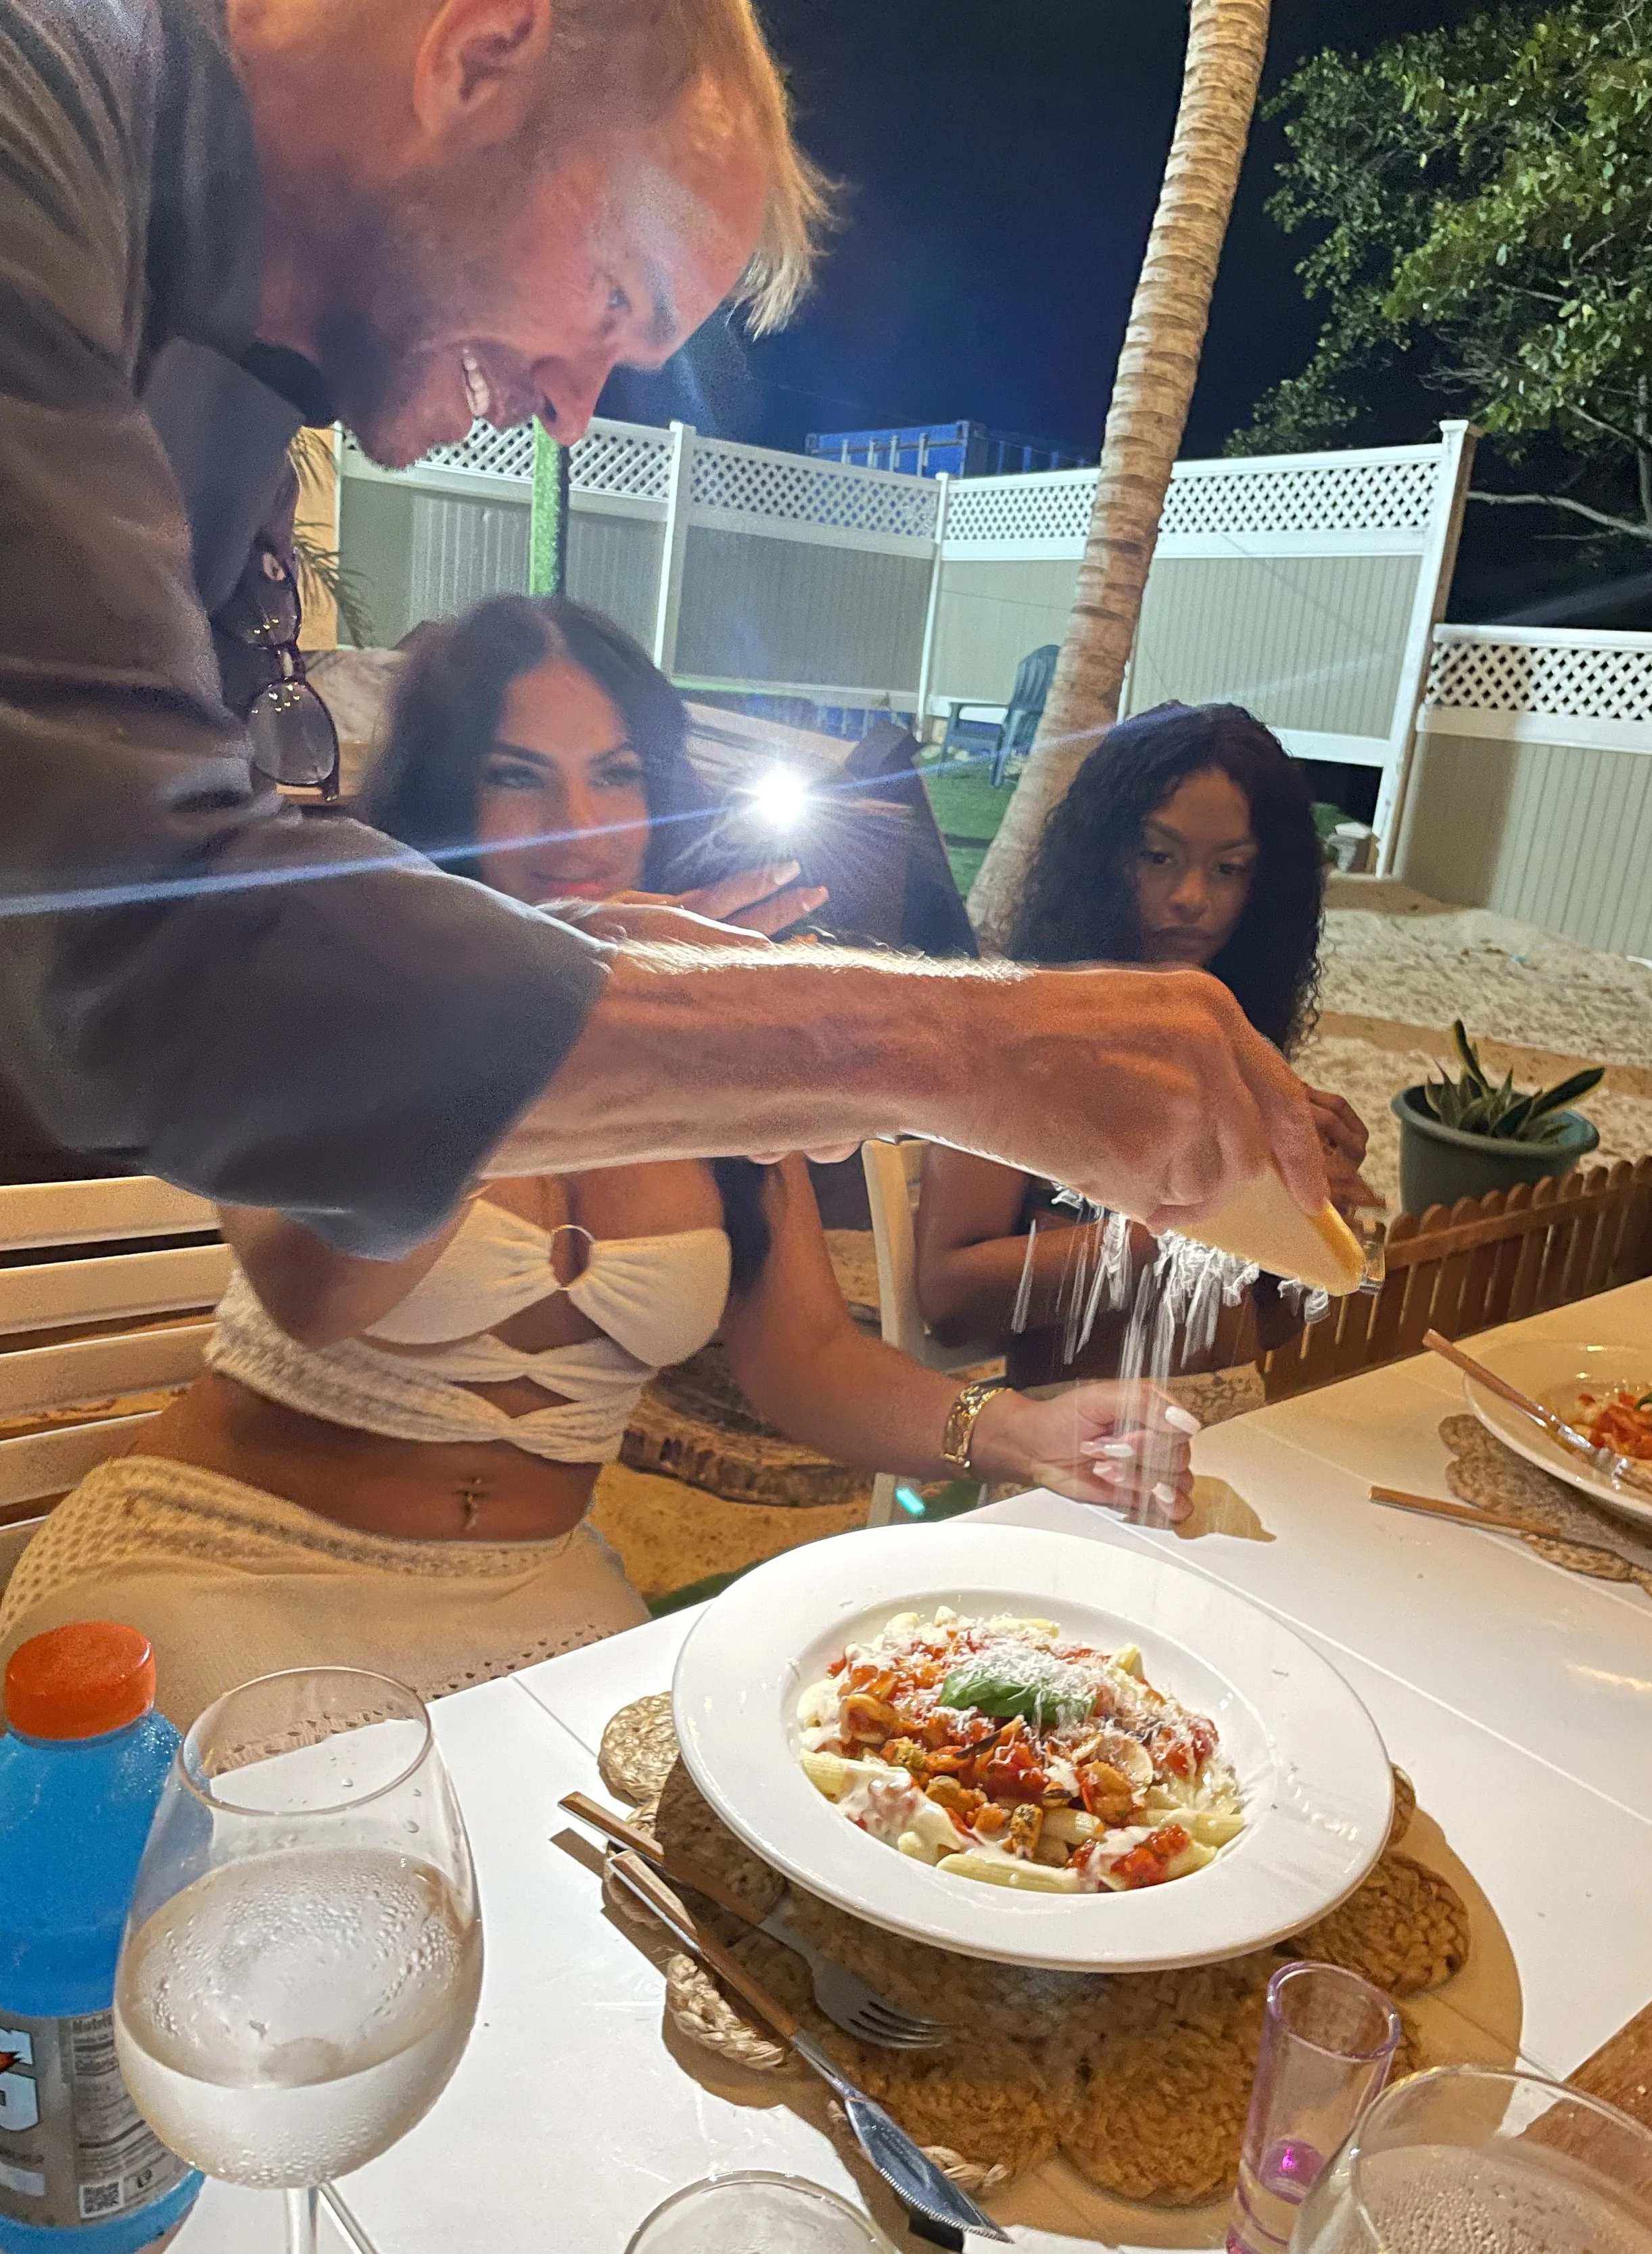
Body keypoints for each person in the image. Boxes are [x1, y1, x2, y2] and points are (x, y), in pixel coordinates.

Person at [0, 0, 1325, 1284]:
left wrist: (587, 961)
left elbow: (237, 956)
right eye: (611, 299)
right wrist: (939, 1046)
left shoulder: (217, 334)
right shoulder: (36, 107)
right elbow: (133, 953)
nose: (571, 412)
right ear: (479, 51)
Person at [0, 599, 1196, 1727]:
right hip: (227, 1557)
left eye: (613, 773)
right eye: (517, 775)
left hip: (534, 1589)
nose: (576, 824)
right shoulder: (324, 994)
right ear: (445, 791)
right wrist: (522, 1017)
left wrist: (1016, 1431)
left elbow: (807, 1357)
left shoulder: (699, 1051)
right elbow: (317, 1297)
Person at [916, 705, 1372, 1424]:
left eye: (1229, 869)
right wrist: (1199, 1223)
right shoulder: (1019, 1041)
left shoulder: (1239, 1049)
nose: (1191, 898)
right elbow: (948, 1299)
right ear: (1101, 859)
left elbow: (1274, 1330)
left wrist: (1311, 1225)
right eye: (1158, 857)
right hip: (1072, 1434)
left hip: (1241, 1421)